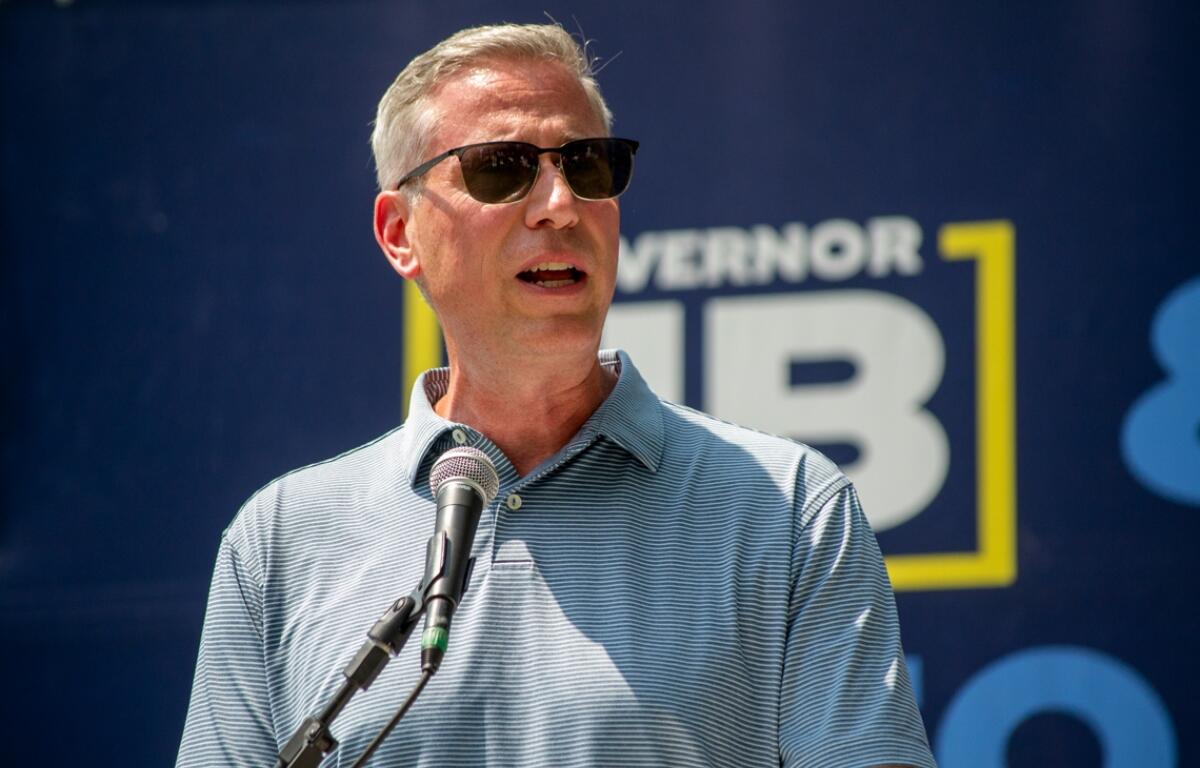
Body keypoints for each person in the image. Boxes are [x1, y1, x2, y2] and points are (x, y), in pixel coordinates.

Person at [177, 22, 936, 768]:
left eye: (590, 166)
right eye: (501, 168)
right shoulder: (278, 540)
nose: (560, 205)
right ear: (400, 232)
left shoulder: (788, 506)